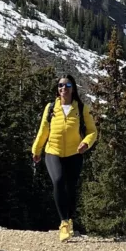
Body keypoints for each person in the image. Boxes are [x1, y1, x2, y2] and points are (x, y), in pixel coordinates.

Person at [32, 75, 97, 241]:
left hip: (75, 154)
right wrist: (36, 150)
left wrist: (86, 143)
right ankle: (64, 223)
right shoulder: (51, 107)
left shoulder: (81, 108)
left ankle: (69, 219)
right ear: (57, 89)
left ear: (73, 88)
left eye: (67, 85)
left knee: (71, 188)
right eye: (61, 85)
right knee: (58, 181)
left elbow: (92, 132)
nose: (64, 88)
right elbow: (43, 131)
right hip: (53, 151)